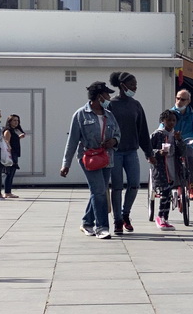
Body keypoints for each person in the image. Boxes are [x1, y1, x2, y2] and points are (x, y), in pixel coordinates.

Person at [61, 81, 121, 239]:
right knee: (99, 191)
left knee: (98, 191)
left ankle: (87, 222)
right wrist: (65, 164)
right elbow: (72, 141)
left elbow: (118, 134)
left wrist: (113, 141)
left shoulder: (109, 114)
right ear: (99, 96)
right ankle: (102, 227)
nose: (109, 97)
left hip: (107, 157)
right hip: (89, 158)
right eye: (107, 94)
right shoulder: (80, 115)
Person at [106, 72, 152, 234]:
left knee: (134, 184)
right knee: (117, 187)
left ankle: (126, 215)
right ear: (122, 86)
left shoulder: (136, 105)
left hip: (131, 152)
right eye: (132, 84)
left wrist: (148, 152)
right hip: (115, 153)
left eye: (136, 84)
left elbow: (143, 131)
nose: (135, 87)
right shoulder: (110, 105)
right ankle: (117, 220)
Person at [168, 89, 193, 199]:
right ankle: (172, 183)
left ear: (188, 101)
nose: (179, 101)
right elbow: (163, 126)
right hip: (173, 143)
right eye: (177, 98)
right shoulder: (170, 114)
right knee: (170, 157)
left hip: (188, 143)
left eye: (183, 99)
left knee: (189, 156)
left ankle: (192, 186)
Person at [149, 109, 183, 230]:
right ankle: (160, 216)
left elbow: (182, 152)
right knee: (165, 191)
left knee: (168, 193)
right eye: (169, 120)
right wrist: (159, 152)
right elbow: (148, 150)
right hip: (161, 167)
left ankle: (165, 218)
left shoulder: (176, 135)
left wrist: (179, 140)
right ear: (163, 121)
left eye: (174, 120)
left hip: (173, 166)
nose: (171, 123)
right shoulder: (157, 134)